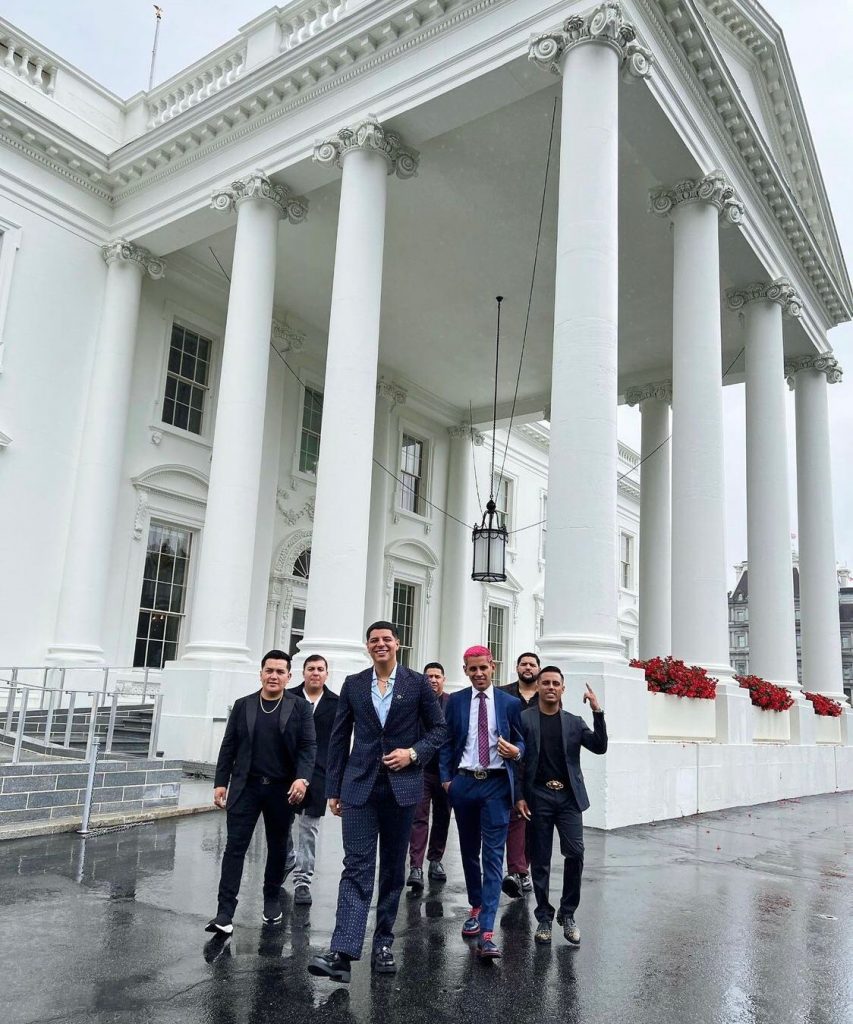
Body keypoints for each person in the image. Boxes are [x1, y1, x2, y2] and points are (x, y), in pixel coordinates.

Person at [308, 621, 447, 983]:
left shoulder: (417, 683)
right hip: (360, 788)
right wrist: (334, 789)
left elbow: (439, 730)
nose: (380, 644)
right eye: (374, 640)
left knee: (391, 870)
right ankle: (342, 952)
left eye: (387, 639)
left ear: (397, 644)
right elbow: (339, 738)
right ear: (367, 646)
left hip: (402, 789)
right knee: (356, 866)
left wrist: (412, 754)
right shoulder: (354, 684)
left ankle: (383, 943)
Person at [207, 650, 317, 935]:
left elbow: (308, 747)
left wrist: (302, 779)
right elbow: (228, 746)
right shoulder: (243, 705)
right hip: (246, 787)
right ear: (261, 673)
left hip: (281, 789)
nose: (274, 676)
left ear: (289, 677)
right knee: (235, 848)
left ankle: (271, 899)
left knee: (278, 847)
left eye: (280, 672)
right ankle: (224, 913)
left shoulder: (300, 707)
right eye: (269, 670)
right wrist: (220, 782)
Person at [439, 645, 525, 959]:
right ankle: (475, 906)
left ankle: (487, 931)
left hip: (496, 785)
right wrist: (447, 779)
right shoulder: (456, 701)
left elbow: (522, 740)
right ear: (465, 670)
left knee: (493, 855)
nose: (478, 674)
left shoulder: (509, 703)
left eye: (483, 668)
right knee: (469, 850)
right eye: (472, 669)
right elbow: (447, 741)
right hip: (464, 783)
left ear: (492, 667)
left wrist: (516, 751)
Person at [515, 667, 606, 947]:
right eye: (546, 683)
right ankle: (544, 916)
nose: (551, 687)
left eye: (556, 683)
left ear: (563, 689)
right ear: (538, 687)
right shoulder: (524, 719)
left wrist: (597, 711)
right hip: (538, 796)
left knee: (575, 853)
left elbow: (600, 746)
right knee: (540, 859)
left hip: (568, 798)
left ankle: (568, 914)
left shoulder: (574, 722)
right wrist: (519, 796)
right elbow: (516, 762)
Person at [288, 653, 339, 906]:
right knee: (282, 822)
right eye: (311, 668)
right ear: (303, 672)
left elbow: (339, 743)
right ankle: (288, 859)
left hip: (319, 773)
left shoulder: (336, 703)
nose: (315, 673)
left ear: (326, 674)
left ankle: (302, 880)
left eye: (320, 669)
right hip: (287, 770)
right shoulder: (289, 698)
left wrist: (337, 780)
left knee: (309, 828)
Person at [406, 662, 452, 892]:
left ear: (444, 679)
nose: (433, 680)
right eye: (429, 676)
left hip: (446, 772)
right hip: (420, 769)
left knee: (443, 817)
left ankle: (435, 860)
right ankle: (416, 866)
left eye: (437, 676)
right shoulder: (415, 702)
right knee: (419, 817)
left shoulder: (452, 703)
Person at [499, 651, 540, 898]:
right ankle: (517, 870)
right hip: (510, 764)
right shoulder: (503, 694)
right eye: (524, 664)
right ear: (517, 668)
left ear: (538, 669)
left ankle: (524, 870)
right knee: (516, 817)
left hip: (537, 766)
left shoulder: (545, 695)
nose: (528, 667)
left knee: (533, 821)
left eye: (532, 664)